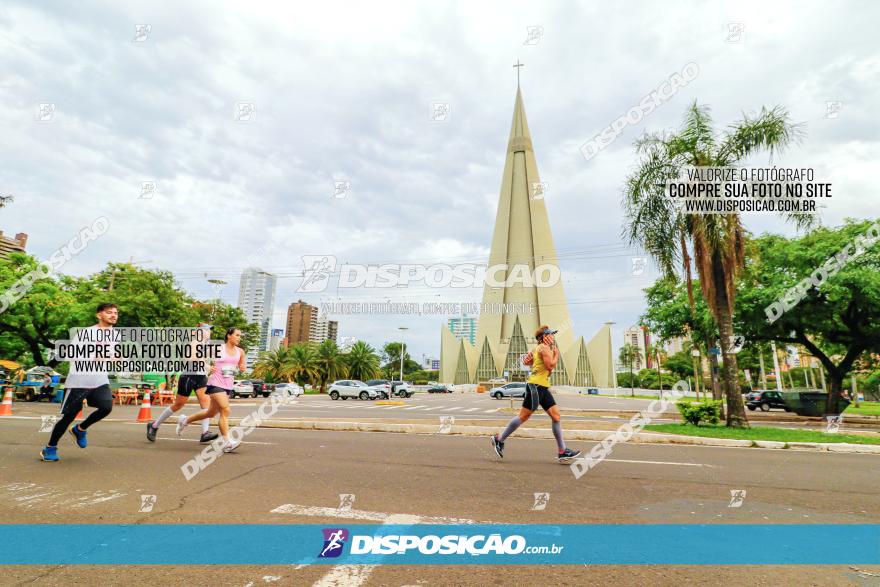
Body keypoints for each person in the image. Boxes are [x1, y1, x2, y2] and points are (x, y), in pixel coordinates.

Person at [491, 325, 581, 463]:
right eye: (551, 334)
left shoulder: (538, 349)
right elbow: (550, 366)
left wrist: (535, 361)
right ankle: (499, 440)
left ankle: (562, 451)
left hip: (543, 387)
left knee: (556, 416)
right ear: (544, 337)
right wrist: (556, 355)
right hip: (535, 387)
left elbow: (528, 361)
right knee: (523, 416)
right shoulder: (544, 348)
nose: (553, 337)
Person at [41, 303, 118, 462]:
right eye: (109, 312)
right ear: (99, 315)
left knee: (106, 407)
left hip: (99, 380)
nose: (113, 315)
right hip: (78, 381)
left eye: (116, 313)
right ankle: (49, 448)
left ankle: (80, 429)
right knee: (68, 417)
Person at [146, 323, 219, 443]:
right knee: (178, 405)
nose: (209, 333)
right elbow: (189, 358)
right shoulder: (195, 343)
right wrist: (206, 365)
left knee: (206, 405)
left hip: (201, 377)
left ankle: (205, 433)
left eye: (210, 331)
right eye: (207, 330)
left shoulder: (205, 345)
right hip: (189, 376)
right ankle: (154, 425)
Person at [177, 327, 245, 453]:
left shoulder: (240, 351)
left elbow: (242, 366)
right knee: (225, 409)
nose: (239, 337)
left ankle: (184, 420)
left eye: (240, 335)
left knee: (210, 413)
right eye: (237, 335)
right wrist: (207, 366)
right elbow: (196, 356)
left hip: (228, 384)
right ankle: (228, 442)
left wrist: (241, 367)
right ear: (229, 336)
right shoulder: (218, 348)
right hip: (215, 383)